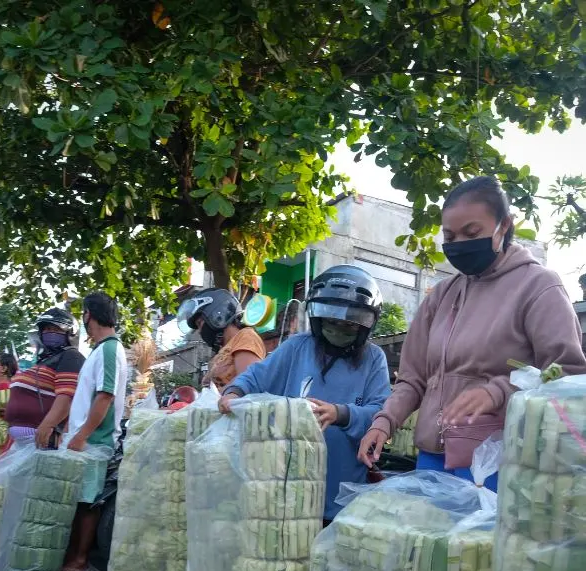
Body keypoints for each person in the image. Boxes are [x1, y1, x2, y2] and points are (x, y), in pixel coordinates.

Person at [357, 176, 586, 489]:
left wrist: (497, 392)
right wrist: (384, 423)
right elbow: (412, 378)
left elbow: (565, 377)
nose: (460, 244)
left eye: (472, 232)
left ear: (503, 226)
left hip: (499, 461)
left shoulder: (538, 287)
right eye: (450, 235)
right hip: (432, 458)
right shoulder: (440, 296)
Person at [219, 266, 391, 523]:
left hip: (341, 496)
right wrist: (233, 392)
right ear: (318, 320)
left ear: (364, 326)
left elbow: (380, 412)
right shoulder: (297, 347)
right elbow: (255, 377)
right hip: (288, 489)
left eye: (348, 325)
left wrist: (341, 413)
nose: (339, 329)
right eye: (332, 322)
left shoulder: (374, 359)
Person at [61, 292, 128, 571]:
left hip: (95, 443)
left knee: (88, 503)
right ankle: (73, 556)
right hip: (84, 441)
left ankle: (79, 560)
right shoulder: (100, 351)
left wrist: (82, 435)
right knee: (80, 502)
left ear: (88, 314)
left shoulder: (110, 350)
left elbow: (105, 396)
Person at [4, 308, 86, 448]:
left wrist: (48, 424)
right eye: (46, 329)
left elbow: (66, 397)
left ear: (70, 333)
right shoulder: (43, 361)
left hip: (43, 439)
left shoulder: (71, 356)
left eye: (56, 329)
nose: (49, 332)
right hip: (23, 443)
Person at [178, 289, 266, 390]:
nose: (199, 331)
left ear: (217, 314)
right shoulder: (223, 350)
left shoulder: (246, 336)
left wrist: (215, 394)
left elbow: (249, 380)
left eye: (200, 323)